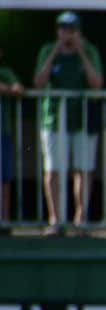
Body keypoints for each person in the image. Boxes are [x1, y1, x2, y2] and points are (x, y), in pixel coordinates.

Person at [33, 10, 103, 231]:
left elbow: (96, 83)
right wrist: (56, 51)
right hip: (53, 119)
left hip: (82, 120)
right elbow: (39, 82)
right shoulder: (47, 50)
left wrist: (81, 52)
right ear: (57, 31)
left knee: (83, 169)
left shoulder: (90, 51)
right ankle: (56, 219)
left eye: (72, 30)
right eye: (63, 29)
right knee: (53, 169)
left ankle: (80, 218)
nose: (68, 34)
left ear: (79, 32)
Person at [0, 49, 23, 227]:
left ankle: (4, 221)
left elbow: (18, 89)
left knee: (4, 177)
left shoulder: (6, 73)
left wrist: (5, 88)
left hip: (2, 133)